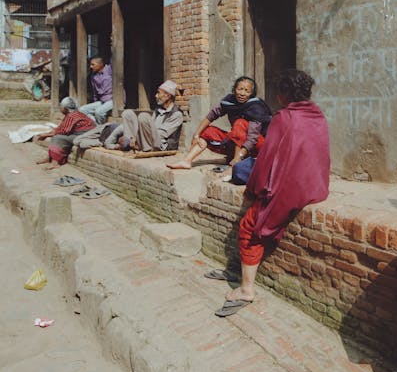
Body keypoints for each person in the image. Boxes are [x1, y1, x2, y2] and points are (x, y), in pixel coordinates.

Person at [209, 69, 330, 317]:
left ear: (284, 94)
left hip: (291, 188)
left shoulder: (283, 118)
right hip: (315, 185)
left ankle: (246, 289)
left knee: (249, 228)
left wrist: (253, 190)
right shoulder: (318, 116)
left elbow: (267, 161)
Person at [166, 76, 272, 179]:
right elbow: (212, 115)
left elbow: (252, 139)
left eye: (247, 91)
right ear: (235, 89)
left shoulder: (256, 107)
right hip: (239, 144)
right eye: (240, 89)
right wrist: (196, 135)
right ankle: (187, 161)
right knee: (207, 131)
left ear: (251, 94)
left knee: (240, 123)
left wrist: (236, 160)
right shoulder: (230, 101)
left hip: (256, 148)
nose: (242, 93)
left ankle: (234, 165)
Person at [120, 80, 183, 152]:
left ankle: (146, 149)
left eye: (158, 93)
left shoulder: (177, 114)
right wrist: (134, 137)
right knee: (128, 113)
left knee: (143, 116)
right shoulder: (158, 110)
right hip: (148, 139)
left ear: (167, 96)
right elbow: (148, 128)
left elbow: (161, 134)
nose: (156, 96)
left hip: (161, 144)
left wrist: (139, 135)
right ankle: (131, 144)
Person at [35, 97, 96, 170]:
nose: (60, 108)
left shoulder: (71, 115)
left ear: (66, 109)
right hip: (81, 134)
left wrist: (46, 135)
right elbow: (60, 128)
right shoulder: (74, 114)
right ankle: (50, 158)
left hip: (85, 135)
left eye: (61, 107)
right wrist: (47, 133)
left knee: (58, 138)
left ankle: (55, 163)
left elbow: (63, 131)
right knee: (57, 136)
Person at [80, 57, 113, 124]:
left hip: (113, 100)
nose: (91, 67)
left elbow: (114, 59)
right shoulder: (93, 76)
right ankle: (96, 124)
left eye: (93, 64)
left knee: (99, 112)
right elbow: (95, 92)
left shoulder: (109, 69)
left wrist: (112, 47)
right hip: (102, 101)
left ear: (100, 64)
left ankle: (101, 128)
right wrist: (95, 102)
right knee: (82, 110)